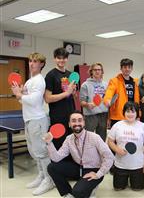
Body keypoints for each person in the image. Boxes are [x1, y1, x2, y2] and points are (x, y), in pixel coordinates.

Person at [11, 53, 54, 195]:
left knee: (42, 152)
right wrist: (19, 94)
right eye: (30, 61)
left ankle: (49, 180)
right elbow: (23, 101)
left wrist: (19, 94)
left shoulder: (39, 80)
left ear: (41, 64)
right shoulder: (30, 81)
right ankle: (41, 175)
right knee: (35, 152)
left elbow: (34, 100)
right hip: (29, 120)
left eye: (35, 61)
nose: (31, 63)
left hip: (37, 120)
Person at [44, 111, 114, 198]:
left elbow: (110, 157)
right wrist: (49, 143)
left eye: (80, 120)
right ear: (69, 124)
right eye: (73, 121)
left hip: (93, 170)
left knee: (78, 192)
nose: (77, 123)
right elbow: (56, 158)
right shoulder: (69, 139)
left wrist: (98, 174)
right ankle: (67, 193)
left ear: (84, 123)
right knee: (52, 167)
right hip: (79, 167)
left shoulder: (94, 137)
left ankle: (89, 187)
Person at [107, 102, 144, 191]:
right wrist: (117, 149)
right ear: (124, 112)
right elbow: (110, 141)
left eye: (133, 111)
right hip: (120, 165)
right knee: (118, 188)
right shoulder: (117, 125)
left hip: (137, 166)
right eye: (128, 111)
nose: (130, 114)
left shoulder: (142, 126)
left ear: (137, 113)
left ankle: (141, 176)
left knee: (137, 189)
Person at [44, 47, 76, 150]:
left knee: (71, 143)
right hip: (57, 116)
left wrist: (73, 92)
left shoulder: (70, 74)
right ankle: (58, 165)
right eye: (59, 58)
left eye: (64, 58)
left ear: (67, 59)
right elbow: (47, 98)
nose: (61, 60)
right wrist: (67, 93)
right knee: (59, 144)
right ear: (54, 59)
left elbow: (73, 95)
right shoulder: (50, 75)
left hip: (70, 114)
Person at [103, 58, 140, 127]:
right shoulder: (114, 81)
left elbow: (137, 100)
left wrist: (138, 114)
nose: (127, 69)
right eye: (125, 67)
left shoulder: (135, 82)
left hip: (132, 114)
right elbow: (109, 92)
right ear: (121, 68)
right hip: (118, 115)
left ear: (132, 69)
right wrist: (107, 100)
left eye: (129, 67)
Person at [80, 62, 108, 141]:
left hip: (103, 115)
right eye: (95, 70)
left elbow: (108, 99)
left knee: (102, 139)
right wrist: (88, 105)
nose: (97, 71)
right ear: (91, 71)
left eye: (99, 70)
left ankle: (99, 153)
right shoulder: (85, 85)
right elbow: (82, 102)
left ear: (102, 71)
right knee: (88, 139)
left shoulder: (106, 85)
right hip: (90, 116)